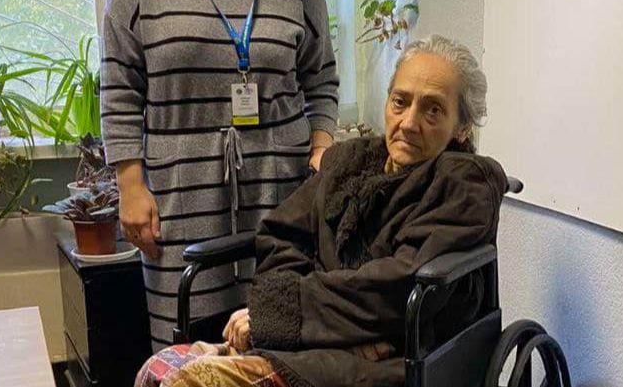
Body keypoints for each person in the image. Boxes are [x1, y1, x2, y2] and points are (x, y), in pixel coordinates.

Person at [133, 35, 507, 387]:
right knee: (156, 369)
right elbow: (282, 235)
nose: (408, 123)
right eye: (400, 101)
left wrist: (281, 315)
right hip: (313, 340)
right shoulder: (350, 162)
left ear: (462, 127)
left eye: (433, 110)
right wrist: (284, 318)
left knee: (190, 382)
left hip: (390, 355)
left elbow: (398, 284)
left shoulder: (464, 183)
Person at [101, 0, 339, 350]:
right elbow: (118, 85)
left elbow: (321, 78)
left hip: (281, 197)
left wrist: (321, 147)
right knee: (188, 356)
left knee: (275, 347)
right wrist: (130, 185)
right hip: (179, 200)